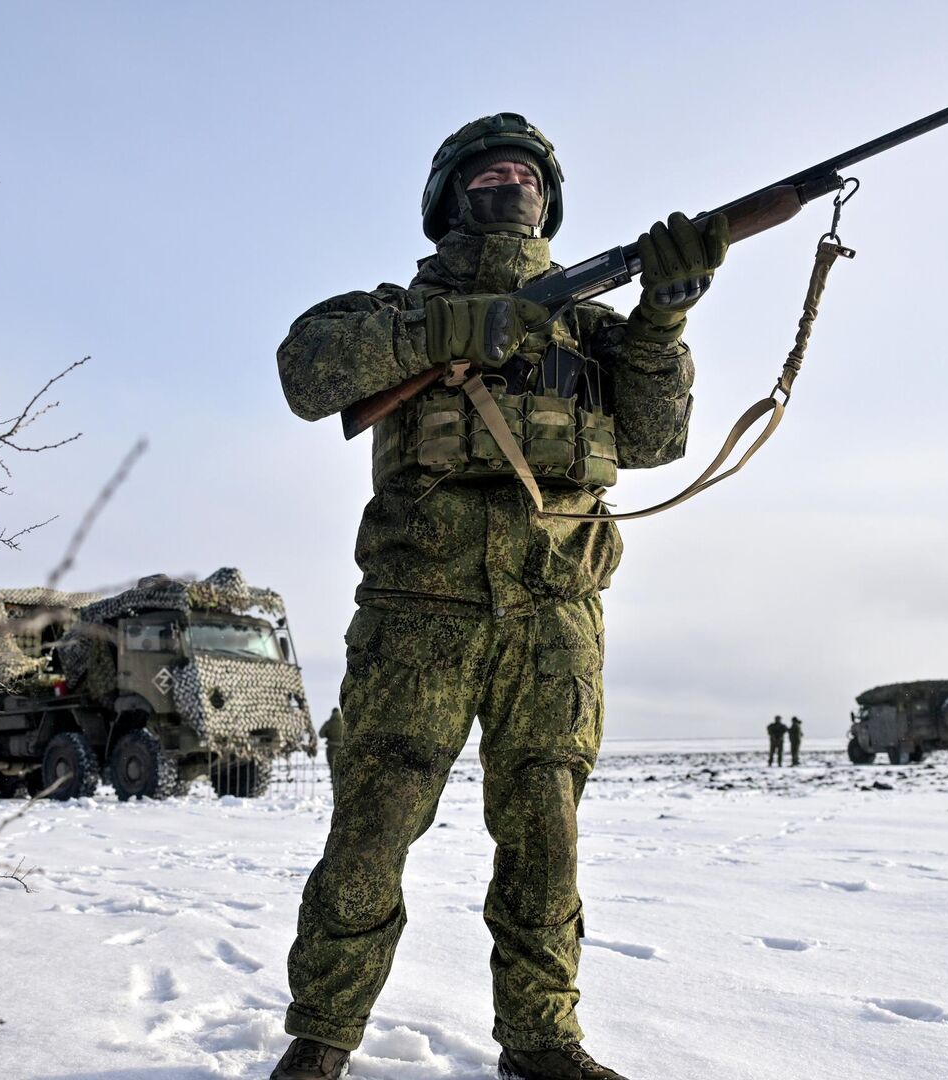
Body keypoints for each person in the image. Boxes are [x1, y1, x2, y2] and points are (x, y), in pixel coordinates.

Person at [270, 113, 727, 1080]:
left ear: (548, 203)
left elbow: (655, 441)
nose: (508, 185)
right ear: (446, 200)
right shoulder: (389, 313)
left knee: (545, 837)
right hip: (415, 611)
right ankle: (321, 1038)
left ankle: (542, 1039)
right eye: (486, 175)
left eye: (524, 175)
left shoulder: (593, 329)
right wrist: (450, 329)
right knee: (371, 831)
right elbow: (306, 375)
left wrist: (663, 320)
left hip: (555, 612)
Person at [319, 706, 346, 782]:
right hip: (342, 748)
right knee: (342, 768)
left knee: (333, 768)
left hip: (331, 748)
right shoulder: (344, 723)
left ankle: (334, 784)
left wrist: (328, 734)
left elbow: (321, 734)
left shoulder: (329, 723)